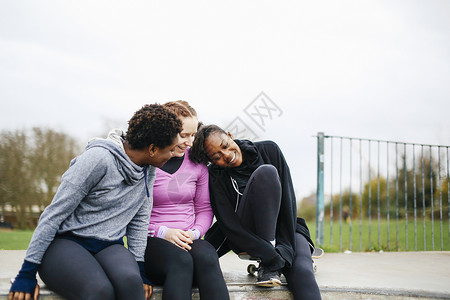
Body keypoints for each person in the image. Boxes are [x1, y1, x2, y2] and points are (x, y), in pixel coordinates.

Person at [9, 104, 182, 300]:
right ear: (152, 149)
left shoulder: (148, 170)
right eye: (170, 150)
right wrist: (26, 272)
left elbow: (139, 221)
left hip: (109, 245)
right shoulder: (98, 159)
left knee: (132, 286)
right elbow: (54, 213)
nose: (173, 155)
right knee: (99, 291)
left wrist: (140, 268)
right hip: (67, 242)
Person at [189, 124, 322, 300]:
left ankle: (277, 262)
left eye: (225, 145)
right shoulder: (216, 175)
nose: (227, 155)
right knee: (266, 173)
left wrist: (284, 250)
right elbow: (229, 224)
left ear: (229, 135)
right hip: (246, 234)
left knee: (302, 271)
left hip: (285, 228)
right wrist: (270, 256)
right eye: (217, 156)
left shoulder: (269, 150)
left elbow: (288, 203)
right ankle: (269, 261)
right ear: (212, 161)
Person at [144, 101, 229, 300]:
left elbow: (204, 209)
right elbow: (132, 215)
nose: (190, 142)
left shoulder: (197, 164)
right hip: (152, 241)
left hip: (189, 239)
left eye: (193, 135)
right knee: (181, 261)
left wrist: (195, 232)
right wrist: (164, 232)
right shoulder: (146, 163)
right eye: (184, 135)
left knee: (207, 255)